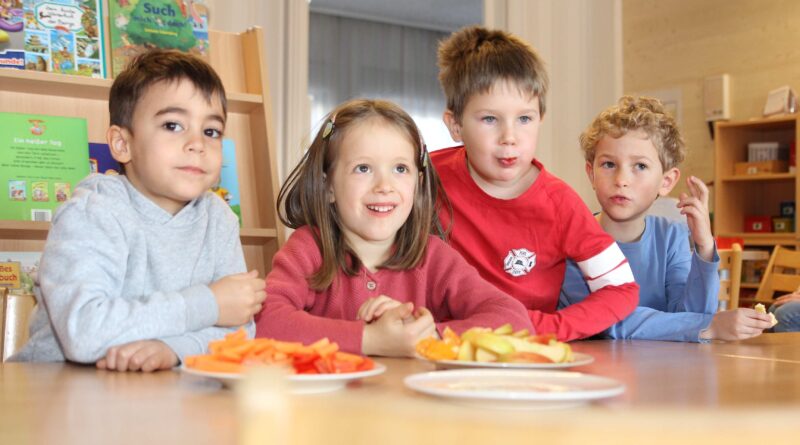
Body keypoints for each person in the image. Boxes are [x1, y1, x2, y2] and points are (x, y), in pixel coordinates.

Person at [11, 49, 266, 371]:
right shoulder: (92, 212)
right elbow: (84, 333)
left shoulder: (219, 218)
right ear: (122, 144)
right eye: (173, 125)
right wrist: (210, 303)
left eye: (211, 131)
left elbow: (240, 333)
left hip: (154, 397)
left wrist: (172, 350)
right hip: (51, 393)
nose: (197, 143)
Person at [256, 99, 533, 357]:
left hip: (411, 406)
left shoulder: (434, 256)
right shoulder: (309, 248)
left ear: (418, 181)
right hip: (325, 407)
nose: (384, 186)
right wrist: (371, 339)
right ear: (328, 186)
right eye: (363, 168)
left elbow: (515, 319)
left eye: (400, 169)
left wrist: (423, 336)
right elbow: (265, 322)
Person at [430, 26, 639, 341]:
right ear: (456, 125)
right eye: (490, 119)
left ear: (540, 118)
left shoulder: (560, 204)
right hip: (434, 349)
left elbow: (621, 288)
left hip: (522, 359)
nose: (510, 138)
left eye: (524, 119)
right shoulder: (424, 178)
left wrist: (548, 329)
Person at [560, 96, 772, 341]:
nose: (621, 179)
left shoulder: (672, 235)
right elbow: (605, 323)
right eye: (608, 164)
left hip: (663, 371)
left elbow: (691, 315)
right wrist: (708, 326)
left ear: (666, 181)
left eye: (639, 166)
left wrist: (704, 248)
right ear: (591, 173)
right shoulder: (573, 239)